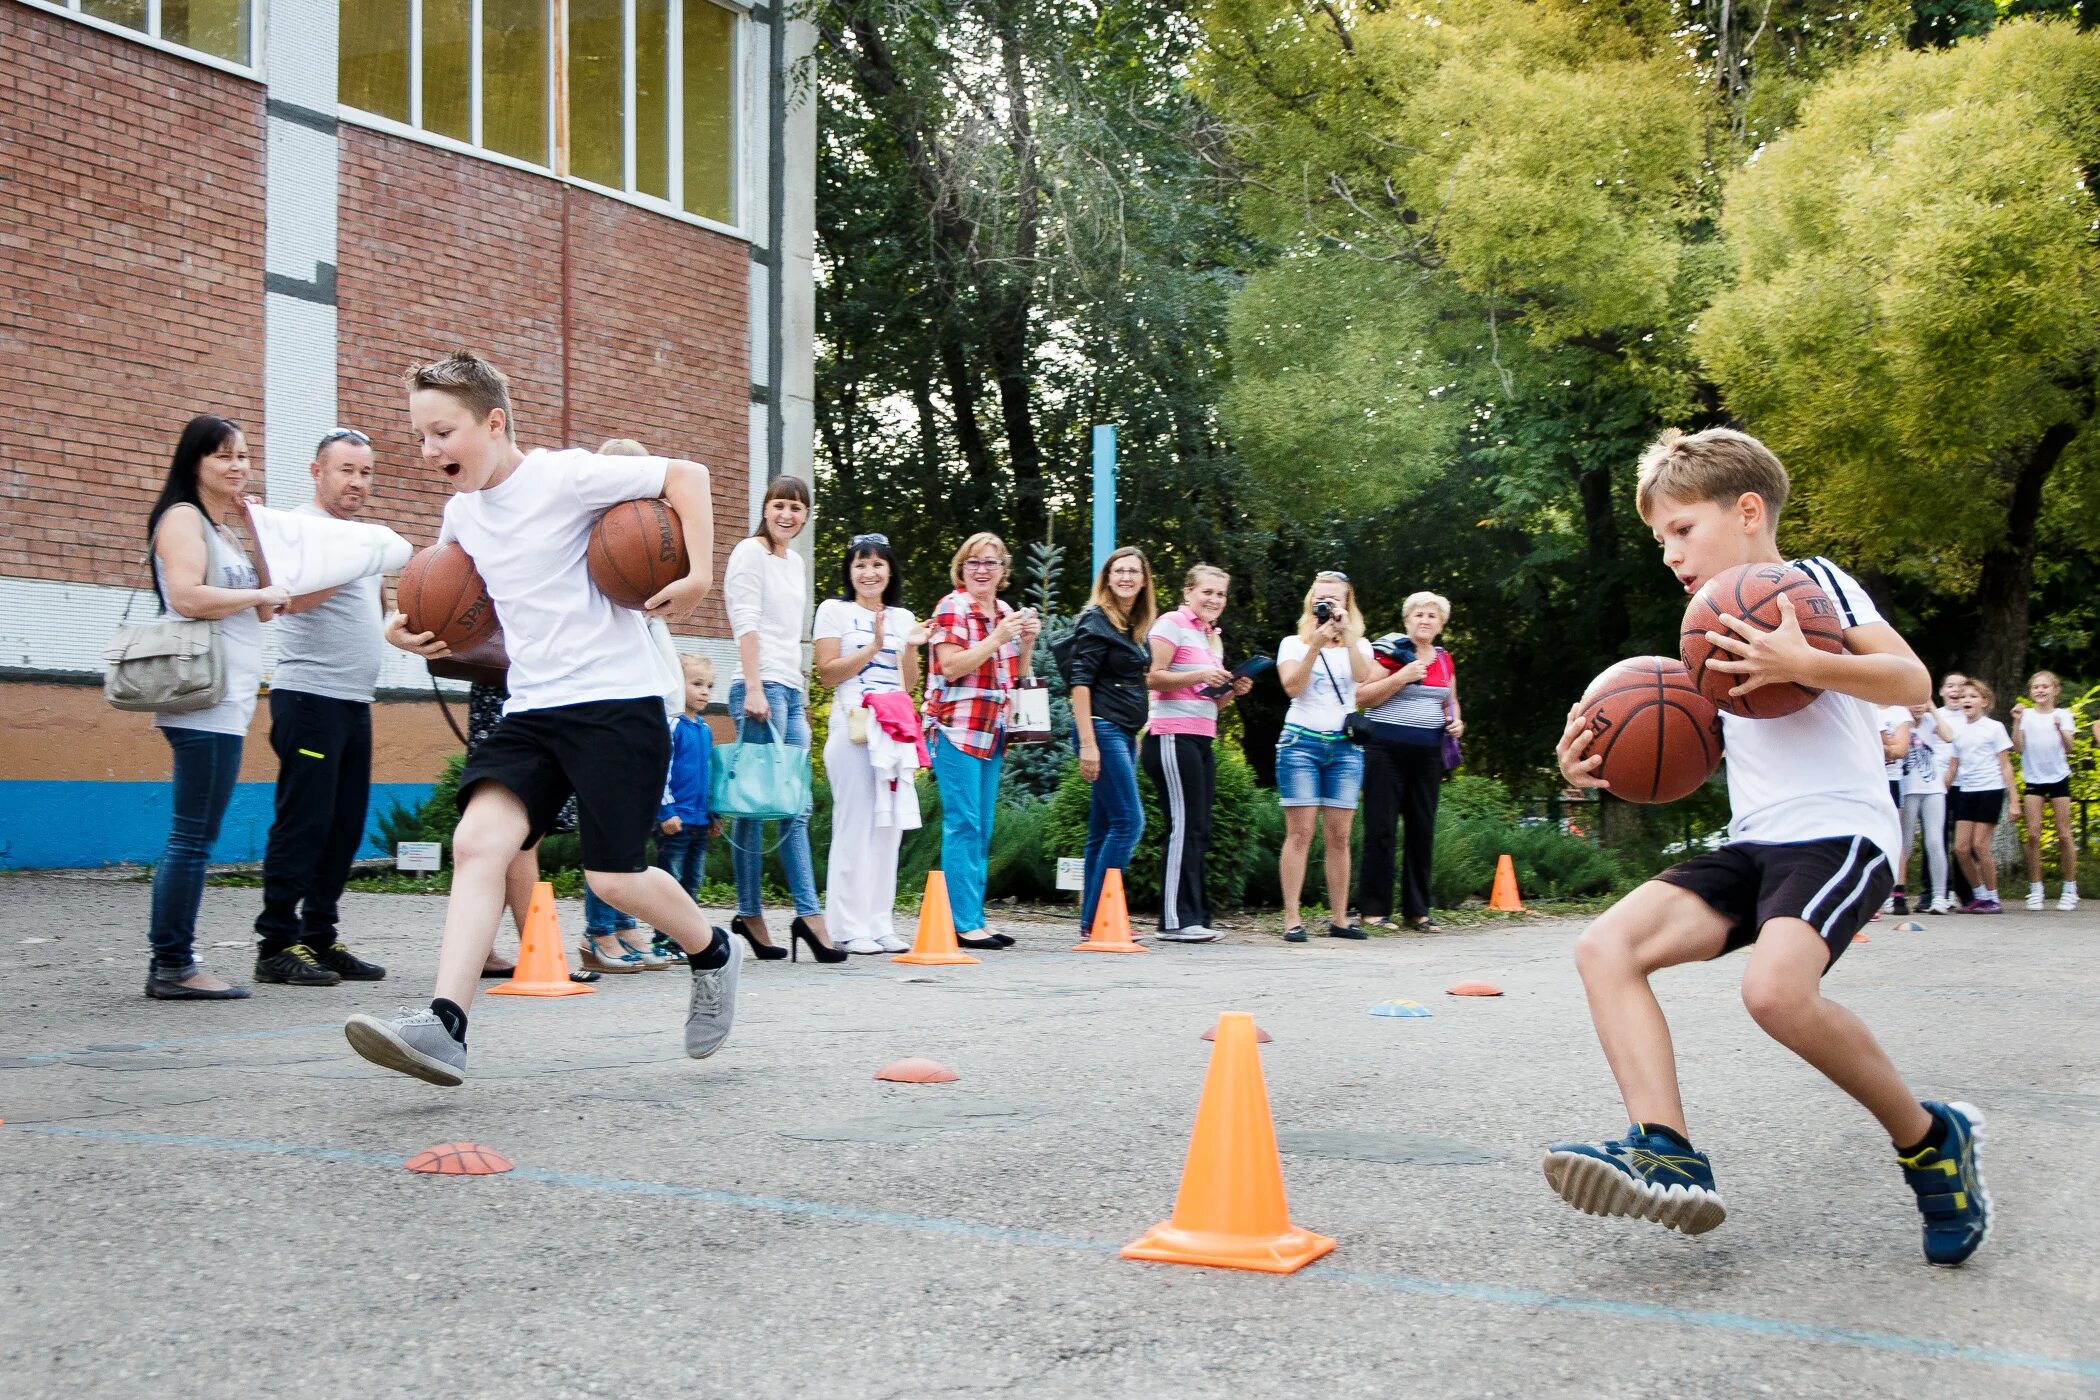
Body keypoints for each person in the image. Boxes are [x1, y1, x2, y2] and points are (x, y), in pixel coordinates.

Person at [1551, 427, 1987, 1267]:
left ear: (1747, 511)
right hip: (1754, 841)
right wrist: (1596, 762)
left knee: (1776, 995)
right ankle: (1664, 1147)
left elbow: (1912, 682)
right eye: (1660, 540)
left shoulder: (1811, 587)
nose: (1670, 552)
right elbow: (1682, 742)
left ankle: (1931, 1140)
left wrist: (1804, 658)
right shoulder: (1702, 624)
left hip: (1840, 834)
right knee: (1605, 946)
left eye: (1682, 530)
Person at [344, 350, 735, 1085]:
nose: (430, 451)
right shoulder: (461, 514)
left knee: (615, 879)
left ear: (494, 423)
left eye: (443, 432)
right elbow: (457, 606)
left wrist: (700, 572)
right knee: (477, 842)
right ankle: (444, 1026)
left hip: (617, 701)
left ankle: (713, 950)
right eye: (420, 437)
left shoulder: (564, 477)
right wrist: (405, 628)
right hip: (533, 707)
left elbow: (689, 476)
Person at [141, 416, 289, 1000]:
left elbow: (267, 610)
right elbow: (185, 596)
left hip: (225, 703)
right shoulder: (182, 519)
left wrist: (255, 533)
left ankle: (173, 959)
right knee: (191, 839)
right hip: (200, 702)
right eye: (224, 456)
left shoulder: (223, 530)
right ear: (194, 462)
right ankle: (173, 964)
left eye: (245, 456)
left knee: (195, 835)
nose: (238, 466)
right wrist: (256, 592)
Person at [250, 427, 392, 988]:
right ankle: (276, 944)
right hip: (309, 698)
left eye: (365, 472)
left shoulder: (361, 541)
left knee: (344, 826)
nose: (357, 482)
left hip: (354, 701)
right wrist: (355, 560)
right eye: (346, 470)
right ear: (317, 472)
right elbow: (287, 600)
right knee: (304, 822)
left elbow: (376, 619)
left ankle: (319, 938)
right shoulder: (300, 530)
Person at [721, 475, 840, 963]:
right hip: (759, 687)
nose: (787, 514)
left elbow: (794, 636)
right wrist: (752, 687)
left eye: (796, 507)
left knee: (793, 804)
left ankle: (763, 913)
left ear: (806, 514)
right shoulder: (749, 552)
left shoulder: (794, 563)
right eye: (779, 505)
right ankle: (799, 914)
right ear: (765, 509)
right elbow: (745, 620)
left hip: (788, 688)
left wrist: (802, 695)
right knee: (755, 807)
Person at [578, 437, 686, 973]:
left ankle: (624, 926)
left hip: (648, 708)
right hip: (605, 705)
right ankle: (600, 932)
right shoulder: (596, 543)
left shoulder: (640, 539)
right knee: (610, 831)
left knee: (631, 833)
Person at [924, 532, 1040, 949]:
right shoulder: (952, 606)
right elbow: (952, 666)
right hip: (955, 727)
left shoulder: (1006, 611)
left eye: (990, 563)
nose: (982, 570)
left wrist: (1025, 642)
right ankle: (962, 922)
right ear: (962, 567)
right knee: (964, 822)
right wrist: (996, 637)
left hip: (992, 730)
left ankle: (974, 916)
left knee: (983, 826)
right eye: (974, 562)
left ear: (1003, 571)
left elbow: (1015, 675)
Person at [813, 533, 926, 955]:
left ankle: (880, 922)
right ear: (850, 570)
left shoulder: (903, 616)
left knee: (889, 828)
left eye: (878, 564)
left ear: (890, 571)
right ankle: (846, 926)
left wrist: (910, 648)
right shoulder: (834, 611)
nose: (869, 572)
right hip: (854, 725)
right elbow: (827, 672)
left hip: (894, 731)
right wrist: (875, 646)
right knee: (855, 826)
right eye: (861, 564)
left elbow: (908, 683)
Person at [1142, 564, 1252, 943]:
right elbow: (1153, 677)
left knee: (1199, 828)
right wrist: (1201, 674)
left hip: (1201, 737)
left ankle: (1195, 917)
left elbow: (1207, 703)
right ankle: (1174, 920)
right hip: (1171, 736)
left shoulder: (1210, 638)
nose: (1214, 600)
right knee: (1184, 826)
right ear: (1188, 592)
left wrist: (1232, 690)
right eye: (1207, 592)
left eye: (1220, 594)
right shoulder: (1171, 623)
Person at [1354, 591, 1464, 934]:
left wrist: (1458, 722)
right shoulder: (1389, 652)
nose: (1425, 620)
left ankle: (1418, 911)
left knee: (1422, 829)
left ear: (1441, 624)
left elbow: (1452, 701)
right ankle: (1373, 910)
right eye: (1418, 614)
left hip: (1427, 754)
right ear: (1406, 620)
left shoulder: (1444, 659)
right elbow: (1361, 696)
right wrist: (1401, 676)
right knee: (1381, 829)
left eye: (1432, 615)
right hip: (1384, 750)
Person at [1274, 572, 1375, 943]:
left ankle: (1339, 919)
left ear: (1348, 605)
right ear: (1311, 602)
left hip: (1344, 748)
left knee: (1340, 836)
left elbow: (1364, 679)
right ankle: (1291, 917)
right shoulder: (1293, 644)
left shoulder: (1360, 645)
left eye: (1337, 600)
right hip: (1300, 743)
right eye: (1323, 599)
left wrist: (1346, 638)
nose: (1330, 606)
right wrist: (1315, 645)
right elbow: (1291, 687)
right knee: (1300, 833)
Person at [1066, 546, 1156, 942]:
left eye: (1133, 572)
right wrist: (1088, 743)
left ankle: (1092, 924)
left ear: (1143, 580)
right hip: (1101, 731)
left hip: (1123, 733)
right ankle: (1103, 917)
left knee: (1103, 829)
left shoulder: (1131, 627)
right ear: (1107, 578)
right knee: (1129, 822)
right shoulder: (1096, 621)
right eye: (1119, 571)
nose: (1126, 577)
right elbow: (1079, 682)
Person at [650, 654, 723, 962]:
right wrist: (665, 811)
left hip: (698, 821)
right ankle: (661, 940)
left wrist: (713, 812)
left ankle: (685, 938)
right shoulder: (674, 725)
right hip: (675, 820)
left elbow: (707, 775)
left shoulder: (705, 729)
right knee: (671, 883)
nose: (705, 692)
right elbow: (661, 770)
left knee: (691, 882)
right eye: (696, 684)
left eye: (709, 686)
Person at [1946, 679, 2014, 914]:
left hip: (1990, 789)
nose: (1966, 700)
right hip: (1966, 791)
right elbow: (1953, 766)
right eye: (1963, 696)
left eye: (1973, 696)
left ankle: (1993, 898)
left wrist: (2014, 800)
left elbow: (2006, 766)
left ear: (1984, 702)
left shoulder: (1994, 728)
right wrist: (1942, 790)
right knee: (1961, 849)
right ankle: (1980, 896)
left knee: (1980, 845)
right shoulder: (1957, 730)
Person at [2013, 670, 2079, 911]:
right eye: (2035, 687)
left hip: (2059, 778)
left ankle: (2070, 888)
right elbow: (2018, 748)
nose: (2040, 691)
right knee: (2032, 834)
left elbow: (2070, 748)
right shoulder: (2026, 715)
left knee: (2064, 834)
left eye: (2045, 687)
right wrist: (2017, 721)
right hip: (2034, 779)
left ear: (2055, 689)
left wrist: (2061, 729)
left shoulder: (2064, 714)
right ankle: (2035, 888)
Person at [1900, 701, 1957, 915]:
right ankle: (1895, 894)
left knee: (1934, 841)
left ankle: (1940, 896)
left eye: (1921, 702)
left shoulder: (1930, 721)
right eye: (1913, 702)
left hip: (1933, 788)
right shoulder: (1900, 721)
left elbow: (1949, 736)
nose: (1917, 707)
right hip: (1908, 788)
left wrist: (1932, 709)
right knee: (1904, 844)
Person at [1935, 672, 1974, 908]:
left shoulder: (1970, 717)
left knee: (1964, 843)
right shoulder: (1935, 715)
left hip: (1965, 783)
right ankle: (1941, 889)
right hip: (1936, 784)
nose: (1956, 690)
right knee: (1938, 838)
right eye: (1950, 685)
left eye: (1961, 686)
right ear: (1942, 690)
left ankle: (1965, 892)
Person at [1874, 703, 1912, 917]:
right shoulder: (1864, 706)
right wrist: (1885, 742)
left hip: (1891, 780)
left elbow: (1900, 751)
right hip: (1867, 778)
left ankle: (1898, 893)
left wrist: (1878, 741)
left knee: (1892, 837)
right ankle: (1870, 897)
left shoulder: (1899, 712)